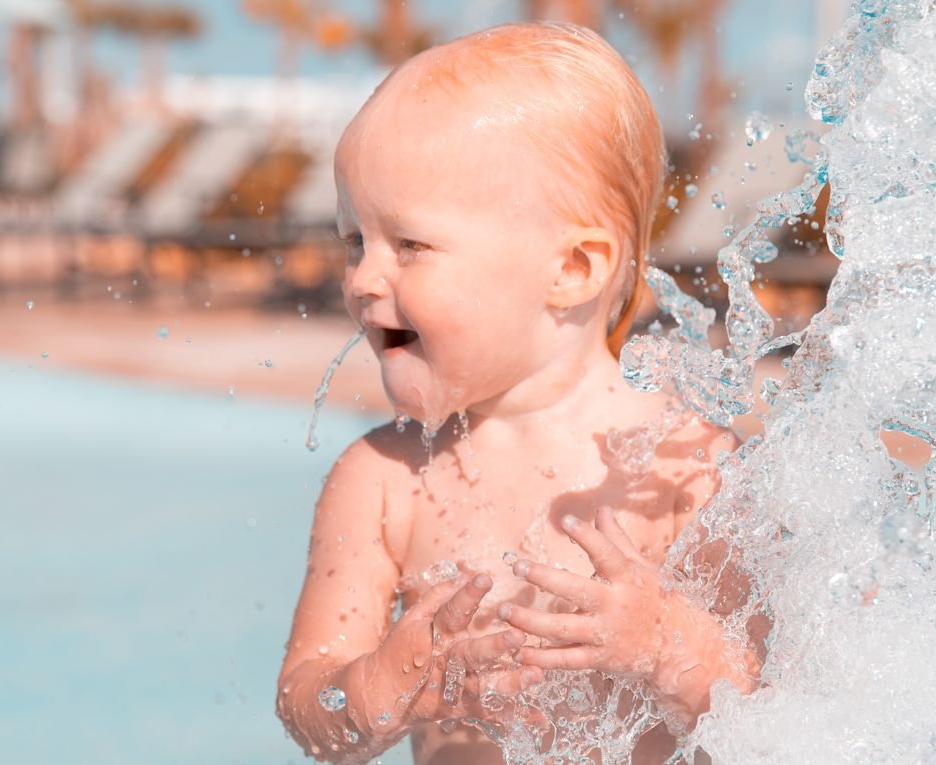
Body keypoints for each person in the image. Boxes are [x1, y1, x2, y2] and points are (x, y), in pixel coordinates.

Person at [276, 21, 757, 765]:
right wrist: (375, 685)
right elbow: (309, 706)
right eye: (354, 241)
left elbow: (775, 714)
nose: (363, 278)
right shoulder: (382, 482)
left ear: (572, 267)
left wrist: (667, 642)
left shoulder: (685, 470)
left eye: (408, 244)